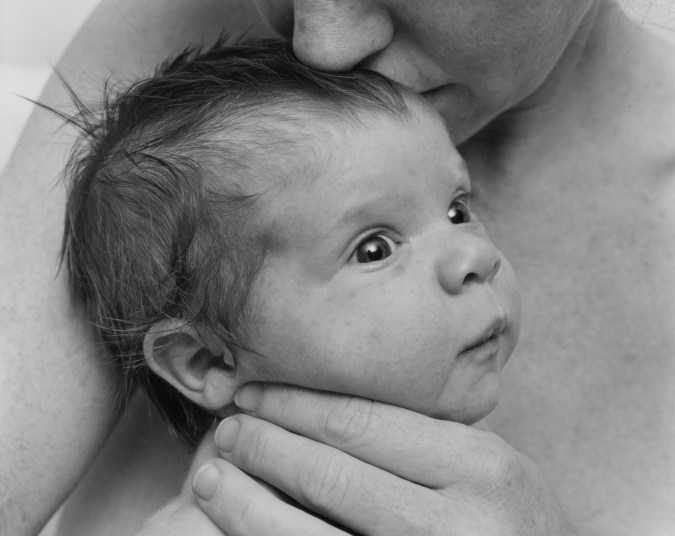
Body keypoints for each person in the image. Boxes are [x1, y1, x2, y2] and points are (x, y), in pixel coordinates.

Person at [1, 0, 673, 535]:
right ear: (201, 359)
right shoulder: (174, 107)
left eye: (460, 209)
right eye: (373, 249)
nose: (319, 45)